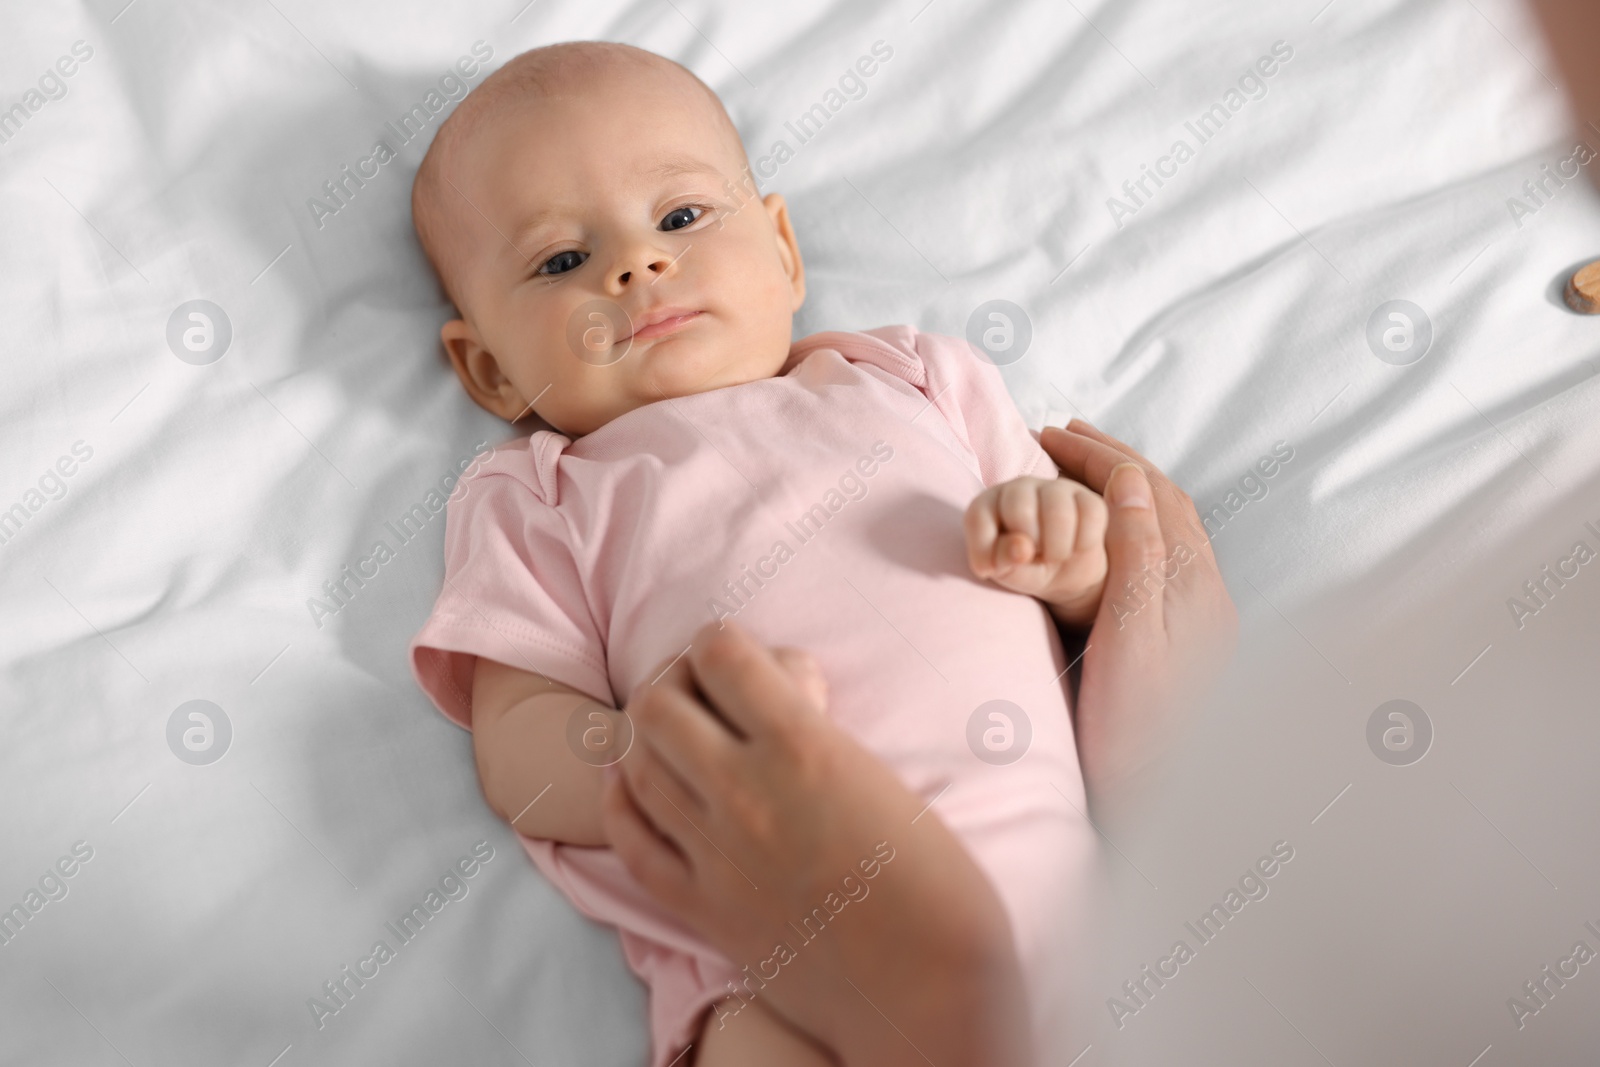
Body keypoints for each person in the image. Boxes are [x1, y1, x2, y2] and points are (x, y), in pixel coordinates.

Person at [602, 421, 1236, 1064]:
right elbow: (523, 733)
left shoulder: (912, 378)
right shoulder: (541, 494)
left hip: (1040, 882)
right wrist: (669, 753)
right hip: (755, 937)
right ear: (491, 374)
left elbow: (1073, 553)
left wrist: (1068, 559)